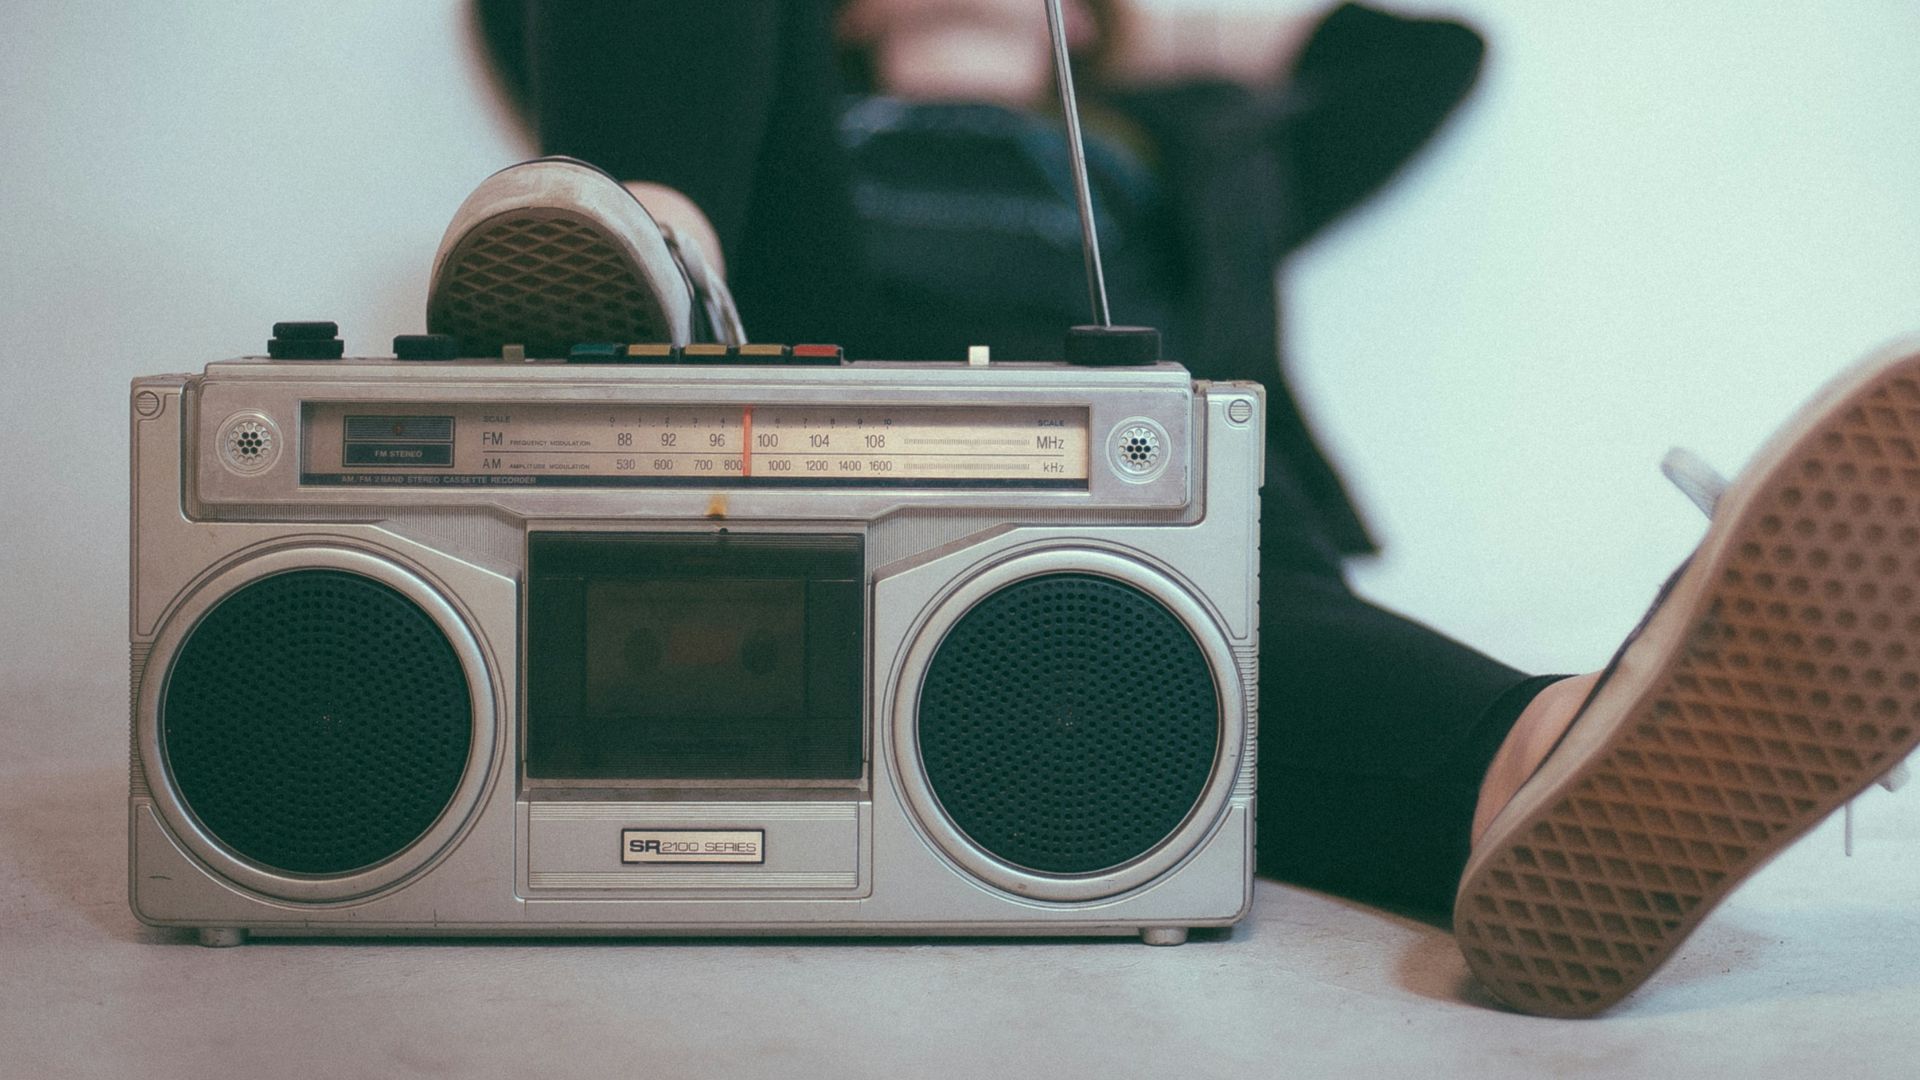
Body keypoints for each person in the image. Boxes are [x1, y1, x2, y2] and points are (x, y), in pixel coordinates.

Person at [432, 1, 1920, 1017]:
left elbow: (1428, 55)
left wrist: (1166, 24)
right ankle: (652, 260)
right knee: (1145, 539)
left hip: (1133, 491)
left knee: (1222, 553)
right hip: (811, 408)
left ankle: (1541, 761)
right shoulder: (792, 113)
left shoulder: (1190, 141)